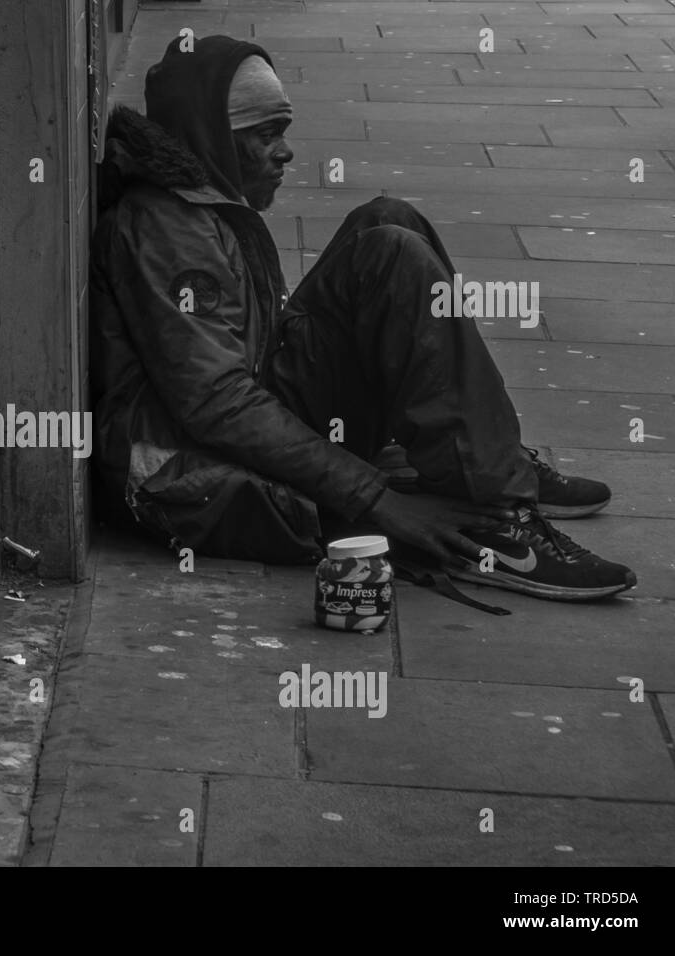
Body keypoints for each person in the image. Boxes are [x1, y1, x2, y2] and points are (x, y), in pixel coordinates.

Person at [89, 34, 635, 602]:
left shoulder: (198, 199)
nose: (285, 153)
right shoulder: (164, 230)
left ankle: (489, 458)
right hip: (186, 473)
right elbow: (217, 405)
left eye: (284, 131)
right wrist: (374, 498)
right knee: (392, 256)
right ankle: (497, 514)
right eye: (265, 135)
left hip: (245, 399)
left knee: (386, 222)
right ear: (211, 137)